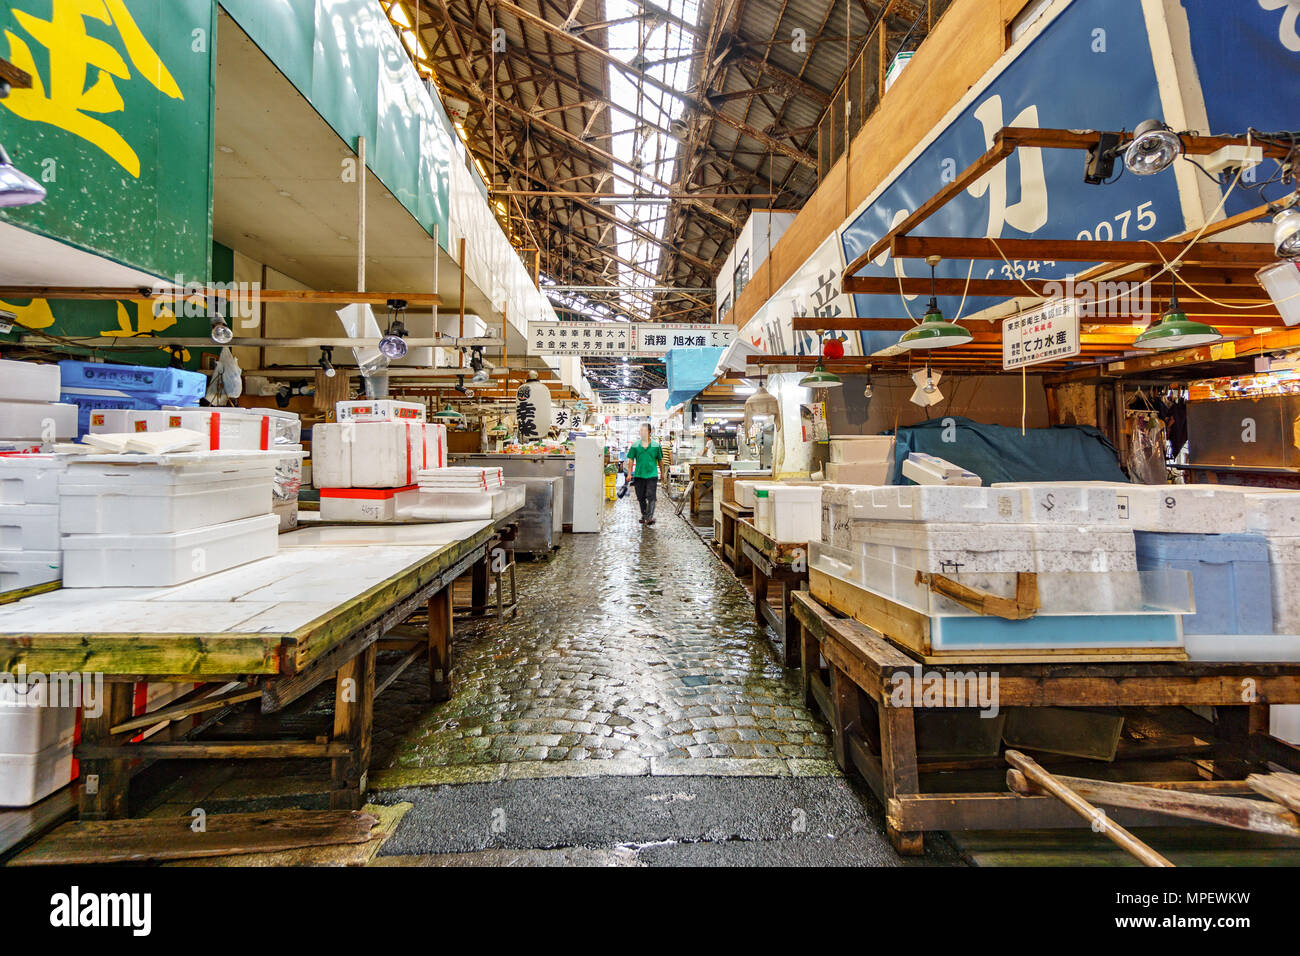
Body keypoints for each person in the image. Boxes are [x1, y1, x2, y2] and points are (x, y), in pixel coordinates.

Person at [624, 423, 662, 526]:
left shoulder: (656, 445)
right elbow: (631, 459)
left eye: (644, 430)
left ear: (650, 432)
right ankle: (644, 515)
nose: (642, 432)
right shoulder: (635, 445)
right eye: (641, 430)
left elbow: (660, 460)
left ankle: (649, 517)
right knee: (640, 497)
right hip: (639, 475)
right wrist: (629, 473)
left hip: (652, 475)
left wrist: (663, 473)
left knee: (651, 496)